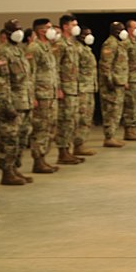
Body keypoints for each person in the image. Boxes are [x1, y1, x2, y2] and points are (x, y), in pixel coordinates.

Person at [0, 19, 34, 185]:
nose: (19, 32)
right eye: (15, 30)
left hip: (24, 103)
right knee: (9, 140)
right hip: (12, 105)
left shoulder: (18, 51)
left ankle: (15, 168)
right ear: (7, 33)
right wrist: (6, 105)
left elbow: (26, 80)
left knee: (21, 139)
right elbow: (3, 82)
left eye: (20, 29)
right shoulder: (2, 52)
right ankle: (7, 171)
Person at [25, 19, 60, 174]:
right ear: (40, 31)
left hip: (50, 94)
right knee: (40, 129)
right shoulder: (34, 48)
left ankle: (43, 158)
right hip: (41, 95)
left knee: (50, 128)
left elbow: (53, 72)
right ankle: (38, 160)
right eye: (48, 27)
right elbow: (30, 74)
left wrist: (57, 89)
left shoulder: (48, 47)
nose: (52, 29)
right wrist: (32, 96)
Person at [53, 15, 85, 165]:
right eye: (74, 24)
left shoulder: (72, 44)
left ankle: (68, 150)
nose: (76, 27)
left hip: (73, 88)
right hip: (65, 90)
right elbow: (55, 68)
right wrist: (58, 88)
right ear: (65, 26)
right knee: (65, 121)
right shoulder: (60, 44)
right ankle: (62, 151)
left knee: (72, 120)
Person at [98, 21, 129, 148]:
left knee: (116, 112)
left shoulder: (118, 44)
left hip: (118, 83)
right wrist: (109, 82)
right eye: (120, 29)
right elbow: (105, 65)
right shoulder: (110, 44)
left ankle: (112, 136)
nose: (123, 31)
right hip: (112, 85)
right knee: (111, 111)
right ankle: (109, 137)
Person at [73, 26, 97, 156]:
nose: (89, 36)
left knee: (87, 118)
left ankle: (81, 144)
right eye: (87, 34)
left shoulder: (87, 49)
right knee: (81, 118)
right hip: (81, 88)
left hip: (88, 88)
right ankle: (77, 144)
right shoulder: (76, 49)